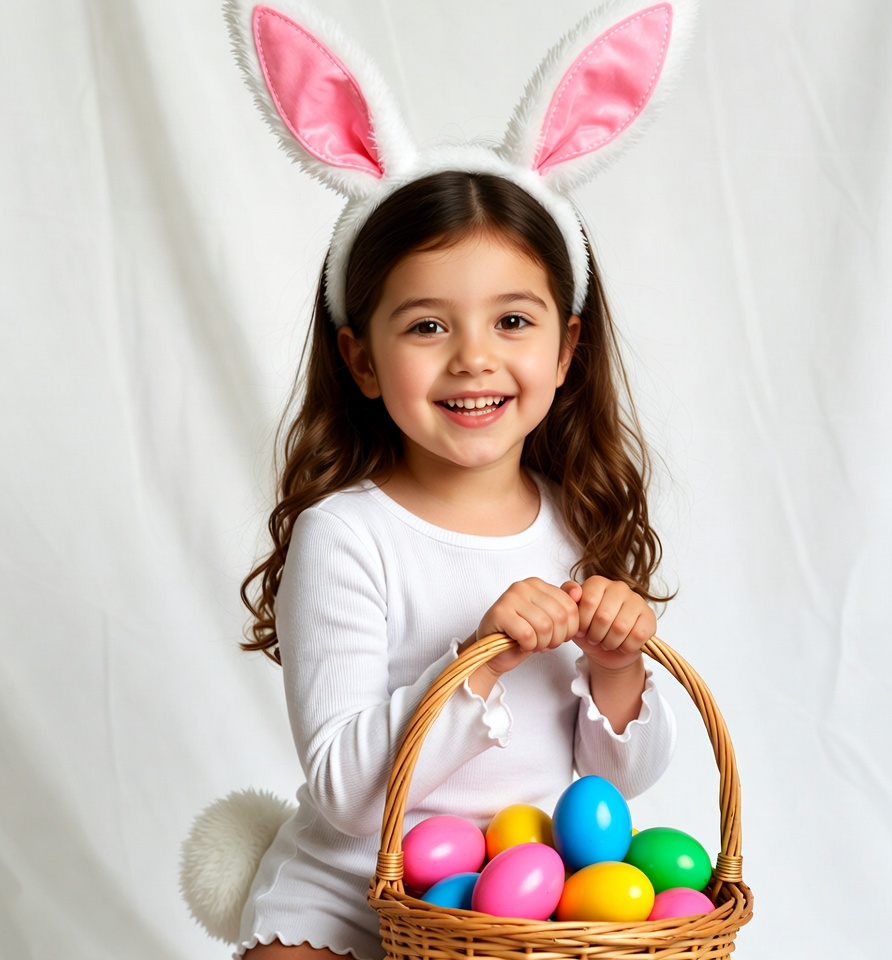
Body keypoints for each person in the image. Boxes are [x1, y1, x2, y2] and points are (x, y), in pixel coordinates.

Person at [217, 1, 701, 957]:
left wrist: (617, 669)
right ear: (362, 360)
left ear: (565, 348)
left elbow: (619, 785)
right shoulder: (346, 535)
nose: (474, 358)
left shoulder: (577, 520)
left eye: (512, 321)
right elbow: (347, 794)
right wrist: (479, 659)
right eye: (427, 325)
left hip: (522, 907)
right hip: (352, 895)